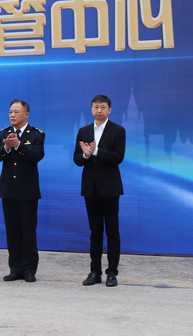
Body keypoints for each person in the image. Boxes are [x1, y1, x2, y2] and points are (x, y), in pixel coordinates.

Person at [74, 95, 126, 287]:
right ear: (91, 109)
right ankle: (94, 271)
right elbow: (77, 159)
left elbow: (118, 157)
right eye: (96, 107)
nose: (99, 110)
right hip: (91, 188)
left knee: (112, 231)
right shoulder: (84, 131)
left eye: (103, 107)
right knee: (95, 232)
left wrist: (96, 151)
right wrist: (86, 155)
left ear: (109, 110)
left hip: (110, 188)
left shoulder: (118, 130)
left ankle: (112, 272)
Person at [0, 100, 45, 283]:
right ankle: (15, 269)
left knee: (28, 230)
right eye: (10, 112)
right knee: (12, 231)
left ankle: (29, 270)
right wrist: (7, 147)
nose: (12, 115)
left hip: (28, 190)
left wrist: (19, 145)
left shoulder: (36, 134)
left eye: (16, 112)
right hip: (8, 190)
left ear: (26, 114)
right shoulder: (3, 133)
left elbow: (37, 156)